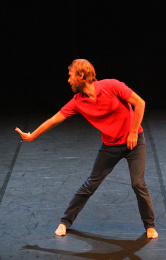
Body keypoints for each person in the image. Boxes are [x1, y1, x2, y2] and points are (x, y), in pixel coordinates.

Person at [15, 59, 158, 239]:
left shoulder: (111, 86)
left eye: (70, 76)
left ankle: (150, 225)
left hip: (133, 142)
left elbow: (140, 103)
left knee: (138, 184)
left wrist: (133, 132)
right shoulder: (78, 101)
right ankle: (65, 221)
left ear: (81, 76)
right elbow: (54, 119)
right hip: (110, 146)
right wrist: (32, 136)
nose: (68, 80)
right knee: (91, 183)